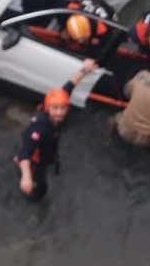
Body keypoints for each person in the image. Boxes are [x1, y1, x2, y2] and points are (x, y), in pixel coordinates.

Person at [15, 59, 98, 202]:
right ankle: (32, 201)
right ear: (47, 108)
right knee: (41, 189)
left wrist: (84, 70)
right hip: (35, 163)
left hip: (48, 151)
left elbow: (68, 87)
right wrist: (27, 178)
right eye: (55, 109)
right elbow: (25, 153)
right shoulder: (38, 127)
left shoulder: (56, 111)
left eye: (63, 108)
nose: (59, 112)